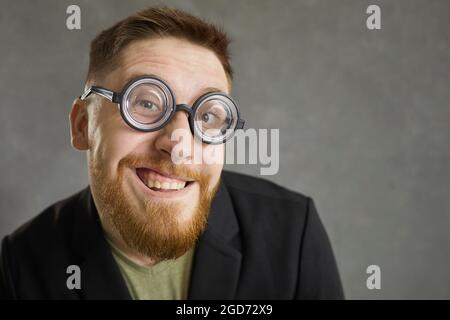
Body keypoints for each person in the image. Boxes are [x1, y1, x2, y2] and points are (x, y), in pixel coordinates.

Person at [0, 6, 343, 300]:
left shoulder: (291, 233)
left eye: (207, 115)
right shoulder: (21, 265)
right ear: (82, 125)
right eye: (146, 103)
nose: (178, 143)